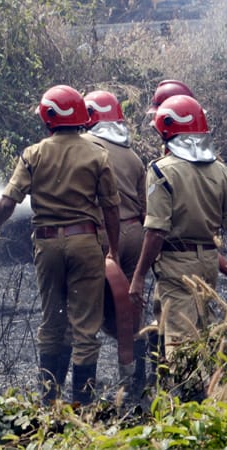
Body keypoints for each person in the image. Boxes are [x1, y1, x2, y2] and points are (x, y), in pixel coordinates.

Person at [0, 85, 122, 406]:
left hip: (47, 246)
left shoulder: (34, 154)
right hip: (86, 244)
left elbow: (8, 200)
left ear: (48, 117)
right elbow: (111, 208)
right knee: (85, 327)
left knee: (52, 321)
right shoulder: (98, 155)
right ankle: (83, 407)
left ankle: (49, 403)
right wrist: (112, 249)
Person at [127, 95, 227, 397]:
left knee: (182, 350)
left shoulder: (161, 170)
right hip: (207, 264)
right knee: (190, 330)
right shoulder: (223, 172)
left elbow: (155, 232)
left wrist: (139, 275)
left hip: (175, 266)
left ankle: (188, 414)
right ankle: (164, 401)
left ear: (168, 131)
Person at [83, 90, 148, 399]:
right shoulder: (133, 156)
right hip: (136, 232)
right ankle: (135, 383)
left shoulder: (87, 147)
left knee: (89, 311)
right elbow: (146, 208)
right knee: (132, 312)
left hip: (102, 235)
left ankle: (84, 390)